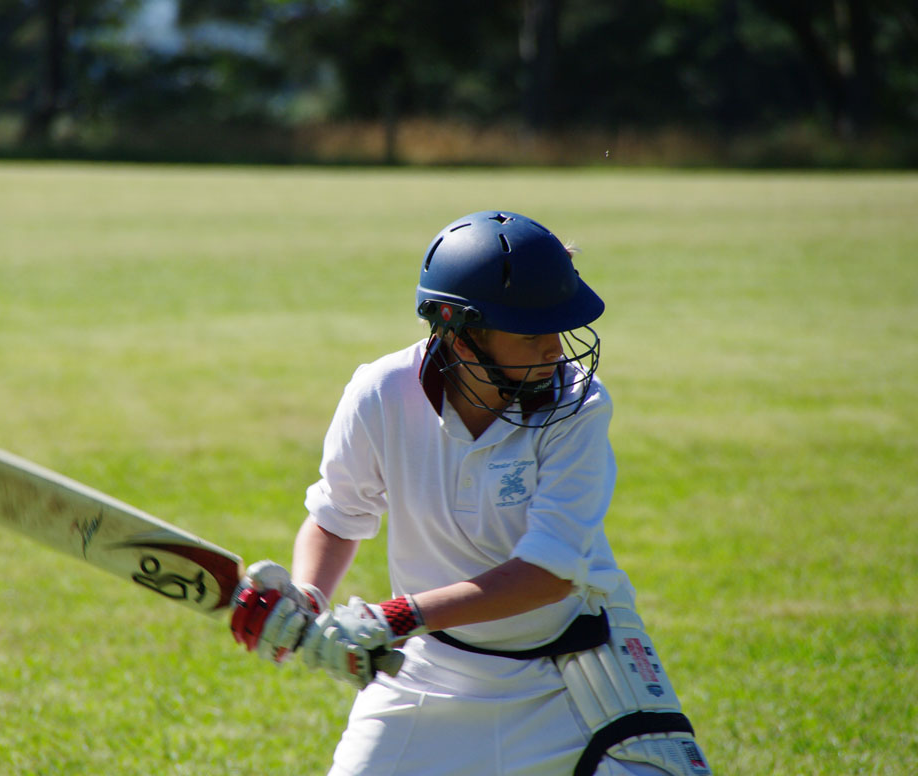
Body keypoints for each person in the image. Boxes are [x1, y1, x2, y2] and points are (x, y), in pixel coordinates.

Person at [230, 211, 712, 776]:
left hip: (575, 670)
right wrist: (308, 598)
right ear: (460, 330)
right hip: (429, 673)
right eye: (532, 333)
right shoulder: (380, 392)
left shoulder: (580, 404)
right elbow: (337, 517)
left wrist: (394, 616)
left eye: (558, 329)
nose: (555, 350)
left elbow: (547, 573)